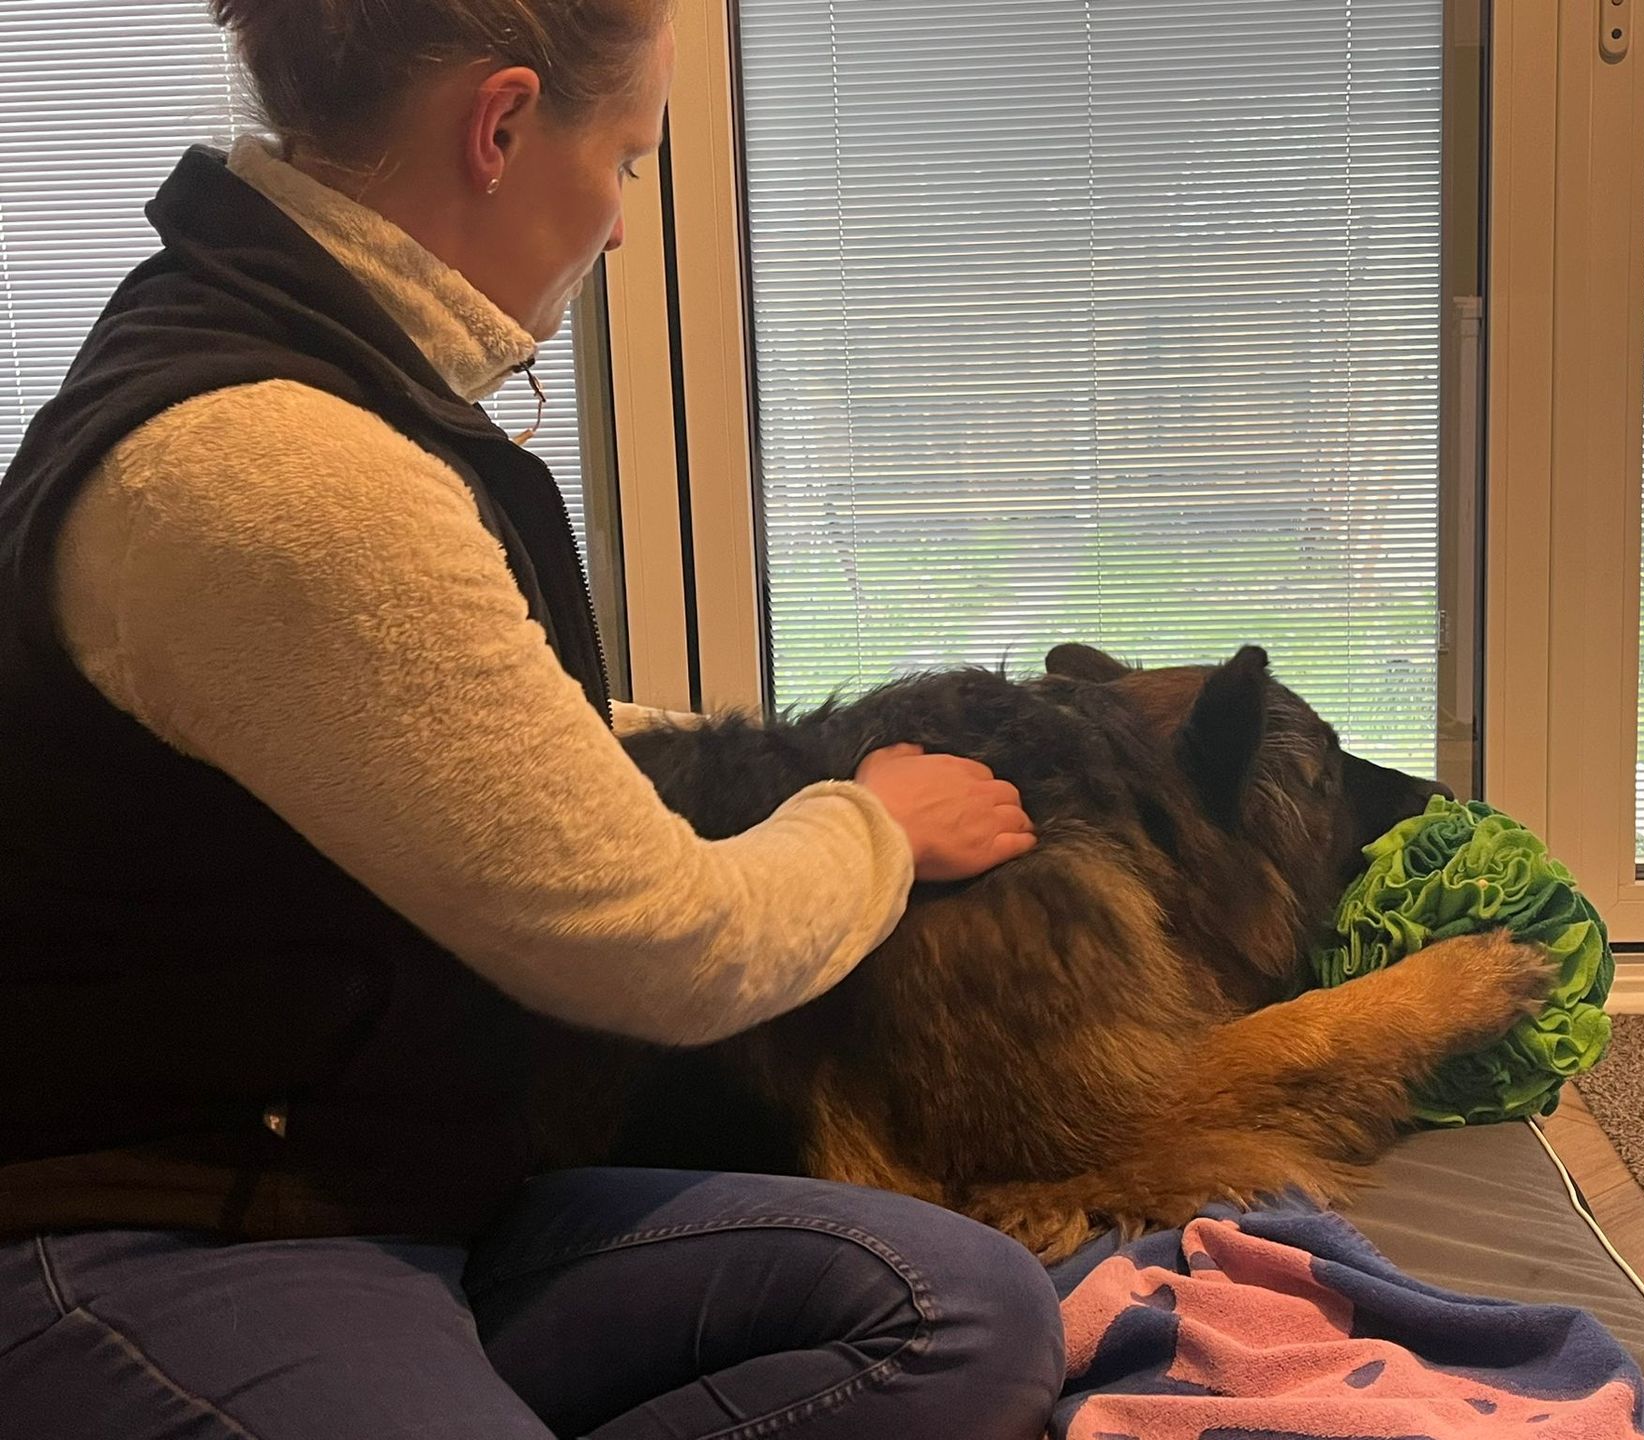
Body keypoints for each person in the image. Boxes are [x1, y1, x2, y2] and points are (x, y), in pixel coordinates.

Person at [0, 1, 1066, 1435]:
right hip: (166, 1225)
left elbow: (446, 709)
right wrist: (875, 823)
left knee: (964, 1315)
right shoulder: (275, 469)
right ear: (499, 126)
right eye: (629, 159)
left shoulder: (283, 341)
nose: (625, 224)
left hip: (395, 1186)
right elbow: (670, 950)